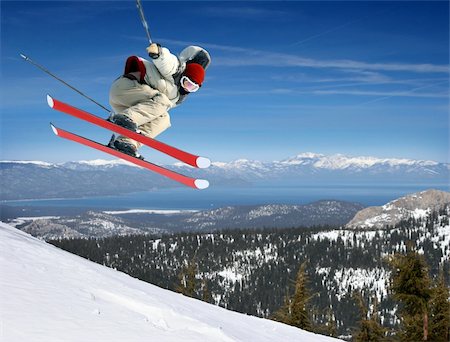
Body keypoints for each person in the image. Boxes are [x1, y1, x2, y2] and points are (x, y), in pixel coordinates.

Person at [108, 43, 211, 158]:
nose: (187, 88)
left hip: (130, 104)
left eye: (192, 87)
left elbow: (155, 108)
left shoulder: (177, 95)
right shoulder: (176, 70)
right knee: (163, 101)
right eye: (186, 83)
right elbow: (167, 62)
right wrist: (158, 53)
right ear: (183, 76)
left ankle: (127, 142)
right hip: (126, 88)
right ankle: (126, 119)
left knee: (164, 119)